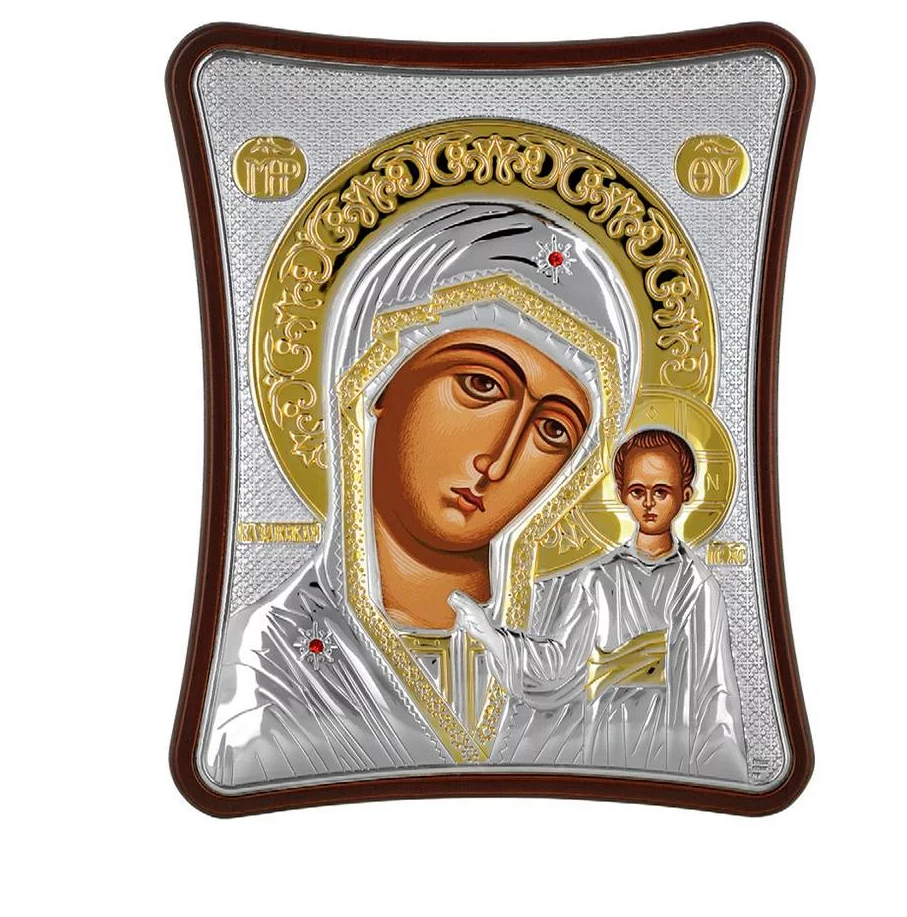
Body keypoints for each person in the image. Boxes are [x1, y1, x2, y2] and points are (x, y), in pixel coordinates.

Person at [201, 201, 642, 787]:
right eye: (481, 385)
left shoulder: (583, 642)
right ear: (376, 382)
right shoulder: (273, 651)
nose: (498, 460)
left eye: (553, 431)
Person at [452, 428, 748, 781]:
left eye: (661, 492)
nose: (649, 504)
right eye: (637, 491)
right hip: (608, 730)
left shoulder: (696, 584)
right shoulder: (599, 578)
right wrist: (491, 636)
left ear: (685, 494)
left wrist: (722, 773)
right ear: (622, 494)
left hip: (671, 732)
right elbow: (560, 662)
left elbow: (714, 687)